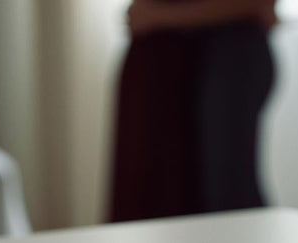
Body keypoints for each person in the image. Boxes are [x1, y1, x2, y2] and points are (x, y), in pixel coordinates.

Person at [109, 0, 277, 223]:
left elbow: (257, 5)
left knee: (225, 190)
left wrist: (159, 17)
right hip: (162, 62)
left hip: (225, 55)